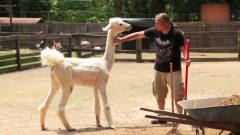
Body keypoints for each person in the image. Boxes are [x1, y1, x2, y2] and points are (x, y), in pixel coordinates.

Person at [114, 13, 190, 123]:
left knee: (178, 94)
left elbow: (184, 48)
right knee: (159, 93)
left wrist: (187, 58)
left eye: (157, 22)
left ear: (164, 24)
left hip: (174, 69)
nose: (155, 24)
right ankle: (161, 116)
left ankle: (179, 117)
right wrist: (122, 40)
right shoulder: (155, 31)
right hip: (159, 68)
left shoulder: (176, 34)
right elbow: (138, 34)